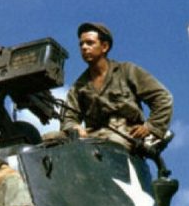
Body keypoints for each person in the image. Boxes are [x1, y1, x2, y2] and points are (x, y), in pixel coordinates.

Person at [61, 22, 173, 152]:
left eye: (90, 43)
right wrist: (74, 127)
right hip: (92, 136)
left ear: (104, 46)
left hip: (125, 134)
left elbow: (162, 97)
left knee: (110, 146)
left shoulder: (127, 71)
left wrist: (151, 127)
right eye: (81, 44)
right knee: (51, 139)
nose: (84, 47)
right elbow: (68, 118)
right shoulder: (78, 87)